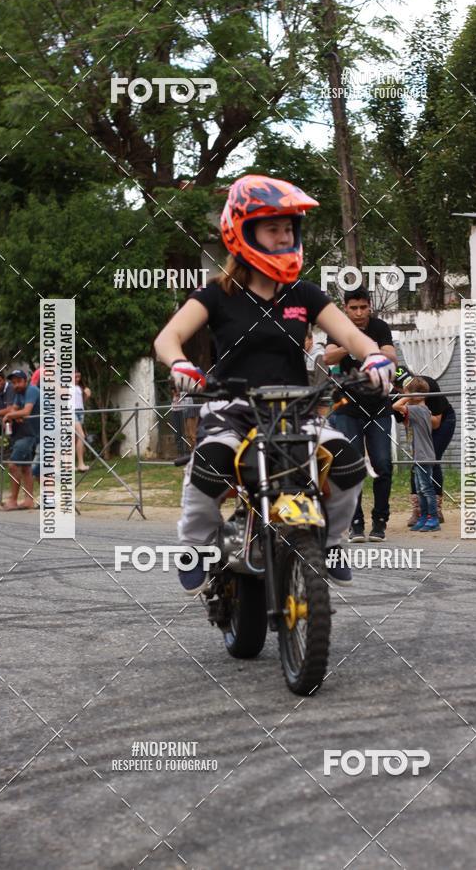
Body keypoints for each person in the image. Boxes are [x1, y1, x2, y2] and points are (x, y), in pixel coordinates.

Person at [154, 174, 395, 594]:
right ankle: (195, 548)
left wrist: (372, 353)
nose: (284, 236)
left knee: (348, 464)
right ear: (243, 231)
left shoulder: (304, 294)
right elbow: (167, 339)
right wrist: (179, 365)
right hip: (232, 409)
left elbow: (352, 335)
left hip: (294, 410)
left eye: (289, 228)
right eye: (273, 228)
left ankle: (333, 541)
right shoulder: (215, 294)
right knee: (208, 467)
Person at [323, 287, 397, 543]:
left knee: (383, 463)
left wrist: (371, 347)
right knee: (351, 467)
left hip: (378, 406)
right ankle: (356, 523)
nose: (358, 313)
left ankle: (380, 520)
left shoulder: (379, 326)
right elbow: (327, 356)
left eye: (363, 307)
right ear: (345, 308)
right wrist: (351, 343)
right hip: (347, 408)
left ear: (370, 306)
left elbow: (392, 356)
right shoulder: (338, 328)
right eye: (353, 308)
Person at [393, 366, 457, 525]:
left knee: (432, 459)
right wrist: (410, 404)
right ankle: (418, 509)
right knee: (416, 464)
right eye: (407, 387)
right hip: (418, 424)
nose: (413, 388)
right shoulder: (395, 398)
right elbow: (406, 423)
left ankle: (435, 509)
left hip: (441, 422)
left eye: (412, 383)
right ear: (398, 388)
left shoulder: (428, 386)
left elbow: (435, 424)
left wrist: (417, 407)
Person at [392, 376, 440, 531]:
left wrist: (406, 397)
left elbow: (395, 405)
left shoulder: (418, 410)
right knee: (420, 489)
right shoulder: (421, 410)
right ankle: (424, 517)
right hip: (419, 455)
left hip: (423, 456)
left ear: (416, 396)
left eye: (406, 393)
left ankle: (433, 518)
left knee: (426, 489)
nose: (404, 397)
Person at [2, 370, 40, 510]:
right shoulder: (19, 393)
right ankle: (29, 500)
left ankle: (13, 500)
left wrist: (10, 416)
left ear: (26, 381)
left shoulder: (31, 390)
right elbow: (14, 410)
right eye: (13, 382)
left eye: (18, 382)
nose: (16, 385)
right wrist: (13, 415)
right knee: (26, 467)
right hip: (31, 433)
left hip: (37, 433)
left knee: (14, 465)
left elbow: (26, 411)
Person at [72, 370, 91, 472]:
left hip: (80, 411)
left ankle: (78, 464)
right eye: (75, 377)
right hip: (71, 412)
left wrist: (86, 396)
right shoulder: (66, 387)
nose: (77, 379)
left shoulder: (79, 387)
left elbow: (80, 401)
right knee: (81, 435)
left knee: (75, 438)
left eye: (78, 377)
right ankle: (80, 463)